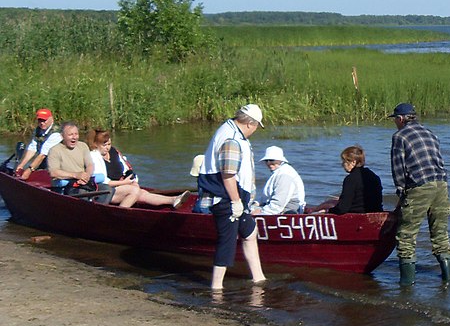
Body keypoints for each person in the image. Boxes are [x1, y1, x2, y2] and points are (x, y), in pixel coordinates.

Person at [195, 104, 267, 290]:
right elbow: (228, 175)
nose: (256, 130)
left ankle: (258, 278)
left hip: (237, 197)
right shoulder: (231, 139)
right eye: (257, 126)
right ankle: (216, 287)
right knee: (227, 241)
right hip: (225, 197)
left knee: (250, 232)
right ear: (250, 124)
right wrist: (236, 202)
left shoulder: (232, 130)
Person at [388, 102, 450, 285]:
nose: (395, 124)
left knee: (406, 237)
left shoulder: (399, 137)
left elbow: (398, 169)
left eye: (395, 120)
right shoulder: (430, 133)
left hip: (420, 186)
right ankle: (447, 281)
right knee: (440, 234)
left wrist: (401, 194)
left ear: (400, 119)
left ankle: (406, 286)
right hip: (441, 185)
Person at [87, 129, 183, 210]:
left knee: (141, 193)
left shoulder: (113, 152)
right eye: (104, 145)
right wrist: (124, 183)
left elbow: (126, 168)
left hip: (122, 185)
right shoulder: (94, 156)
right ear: (96, 144)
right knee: (134, 191)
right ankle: (119, 215)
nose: (107, 147)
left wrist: (132, 180)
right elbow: (105, 182)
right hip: (107, 190)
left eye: (109, 144)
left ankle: (173, 200)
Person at [46, 122, 109, 201]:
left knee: (107, 189)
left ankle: (99, 210)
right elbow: (53, 172)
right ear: (62, 136)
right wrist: (76, 175)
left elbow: (90, 164)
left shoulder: (83, 146)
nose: (74, 137)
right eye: (70, 135)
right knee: (82, 192)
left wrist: (87, 176)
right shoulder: (54, 150)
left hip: (83, 181)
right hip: (66, 185)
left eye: (76, 134)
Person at [323, 145, 383, 215]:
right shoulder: (374, 176)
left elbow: (342, 208)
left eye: (344, 162)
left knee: (329, 204)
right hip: (375, 212)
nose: (342, 165)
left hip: (356, 215)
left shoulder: (350, 179)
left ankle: (312, 212)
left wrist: (328, 211)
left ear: (353, 162)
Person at [14, 109, 63, 179]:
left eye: (44, 120)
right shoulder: (38, 130)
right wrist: (21, 165)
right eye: (40, 120)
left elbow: (43, 154)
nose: (42, 123)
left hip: (58, 165)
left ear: (51, 119)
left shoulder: (56, 133)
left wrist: (30, 169)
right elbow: (32, 148)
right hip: (44, 162)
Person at [258, 145, 306, 215]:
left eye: (272, 160)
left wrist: (261, 213)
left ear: (280, 160)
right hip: (275, 208)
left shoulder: (285, 175)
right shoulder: (278, 172)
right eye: (266, 160)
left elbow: (278, 204)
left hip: (288, 211)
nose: (268, 163)